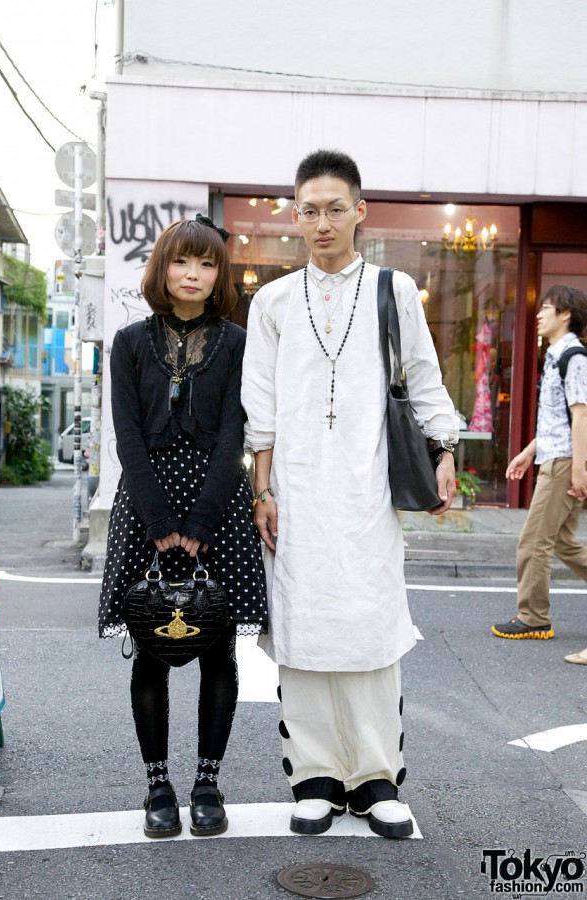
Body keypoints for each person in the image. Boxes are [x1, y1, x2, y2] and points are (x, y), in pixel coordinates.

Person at [241, 149, 458, 838]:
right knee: (303, 631)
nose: (323, 221)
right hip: (298, 491)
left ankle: (374, 777)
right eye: (311, 210)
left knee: (369, 628)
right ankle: (314, 776)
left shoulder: (394, 291)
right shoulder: (271, 300)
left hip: (368, 492)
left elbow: (422, 376)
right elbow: (261, 407)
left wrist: (445, 449)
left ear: (361, 211)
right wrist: (262, 491)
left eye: (337, 208)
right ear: (295, 217)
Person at [98, 215, 267, 839]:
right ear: (162, 269)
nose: (193, 274)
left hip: (216, 509)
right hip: (146, 507)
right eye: (182, 262)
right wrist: (161, 520)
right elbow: (128, 436)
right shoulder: (131, 342)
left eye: (207, 264)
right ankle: (156, 785)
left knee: (218, 647)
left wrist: (198, 521)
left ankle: (207, 782)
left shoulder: (237, 343)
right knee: (150, 646)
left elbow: (234, 435)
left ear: (219, 275)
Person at [492, 285, 587, 643]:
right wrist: (529, 451)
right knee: (563, 542)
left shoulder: (573, 358)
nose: (539, 314)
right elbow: (556, 420)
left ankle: (534, 618)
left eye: (546, 308)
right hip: (556, 455)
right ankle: (533, 615)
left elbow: (581, 417)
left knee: (533, 541)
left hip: (564, 463)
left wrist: (578, 469)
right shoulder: (556, 356)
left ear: (566, 315)